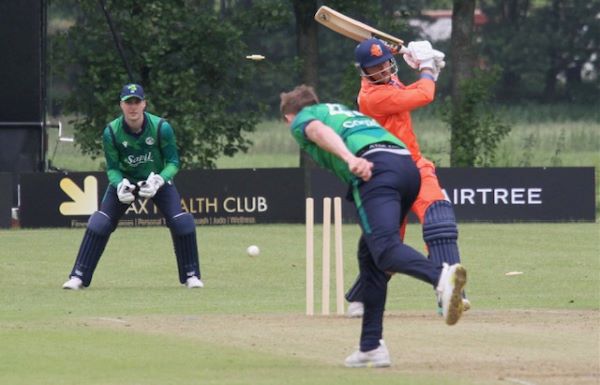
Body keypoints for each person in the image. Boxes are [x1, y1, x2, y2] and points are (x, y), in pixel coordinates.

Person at [280, 84, 467, 368]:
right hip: (407, 167)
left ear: (289, 117)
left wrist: (350, 159)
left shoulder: (303, 118)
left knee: (385, 250)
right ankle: (371, 346)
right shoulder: (342, 112)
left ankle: (441, 276)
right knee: (370, 256)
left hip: (375, 169)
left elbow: (317, 132)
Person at [344, 38, 469, 317]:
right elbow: (424, 95)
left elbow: (415, 89)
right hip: (386, 174)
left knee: (440, 221)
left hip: (415, 165)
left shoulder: (390, 84)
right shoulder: (372, 97)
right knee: (388, 244)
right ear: (364, 72)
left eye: (385, 63)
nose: (383, 70)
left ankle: (452, 295)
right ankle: (363, 296)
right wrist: (426, 67)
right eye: (375, 68)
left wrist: (430, 71)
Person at [62, 83, 203, 290]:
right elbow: (112, 168)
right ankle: (78, 276)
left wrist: (160, 180)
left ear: (144, 104)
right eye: (129, 103)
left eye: (137, 102)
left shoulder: (161, 128)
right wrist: (119, 185)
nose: (133, 107)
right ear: (121, 105)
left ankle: (192, 275)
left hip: (156, 181)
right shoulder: (112, 131)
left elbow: (173, 163)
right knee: (100, 223)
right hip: (126, 184)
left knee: (182, 223)